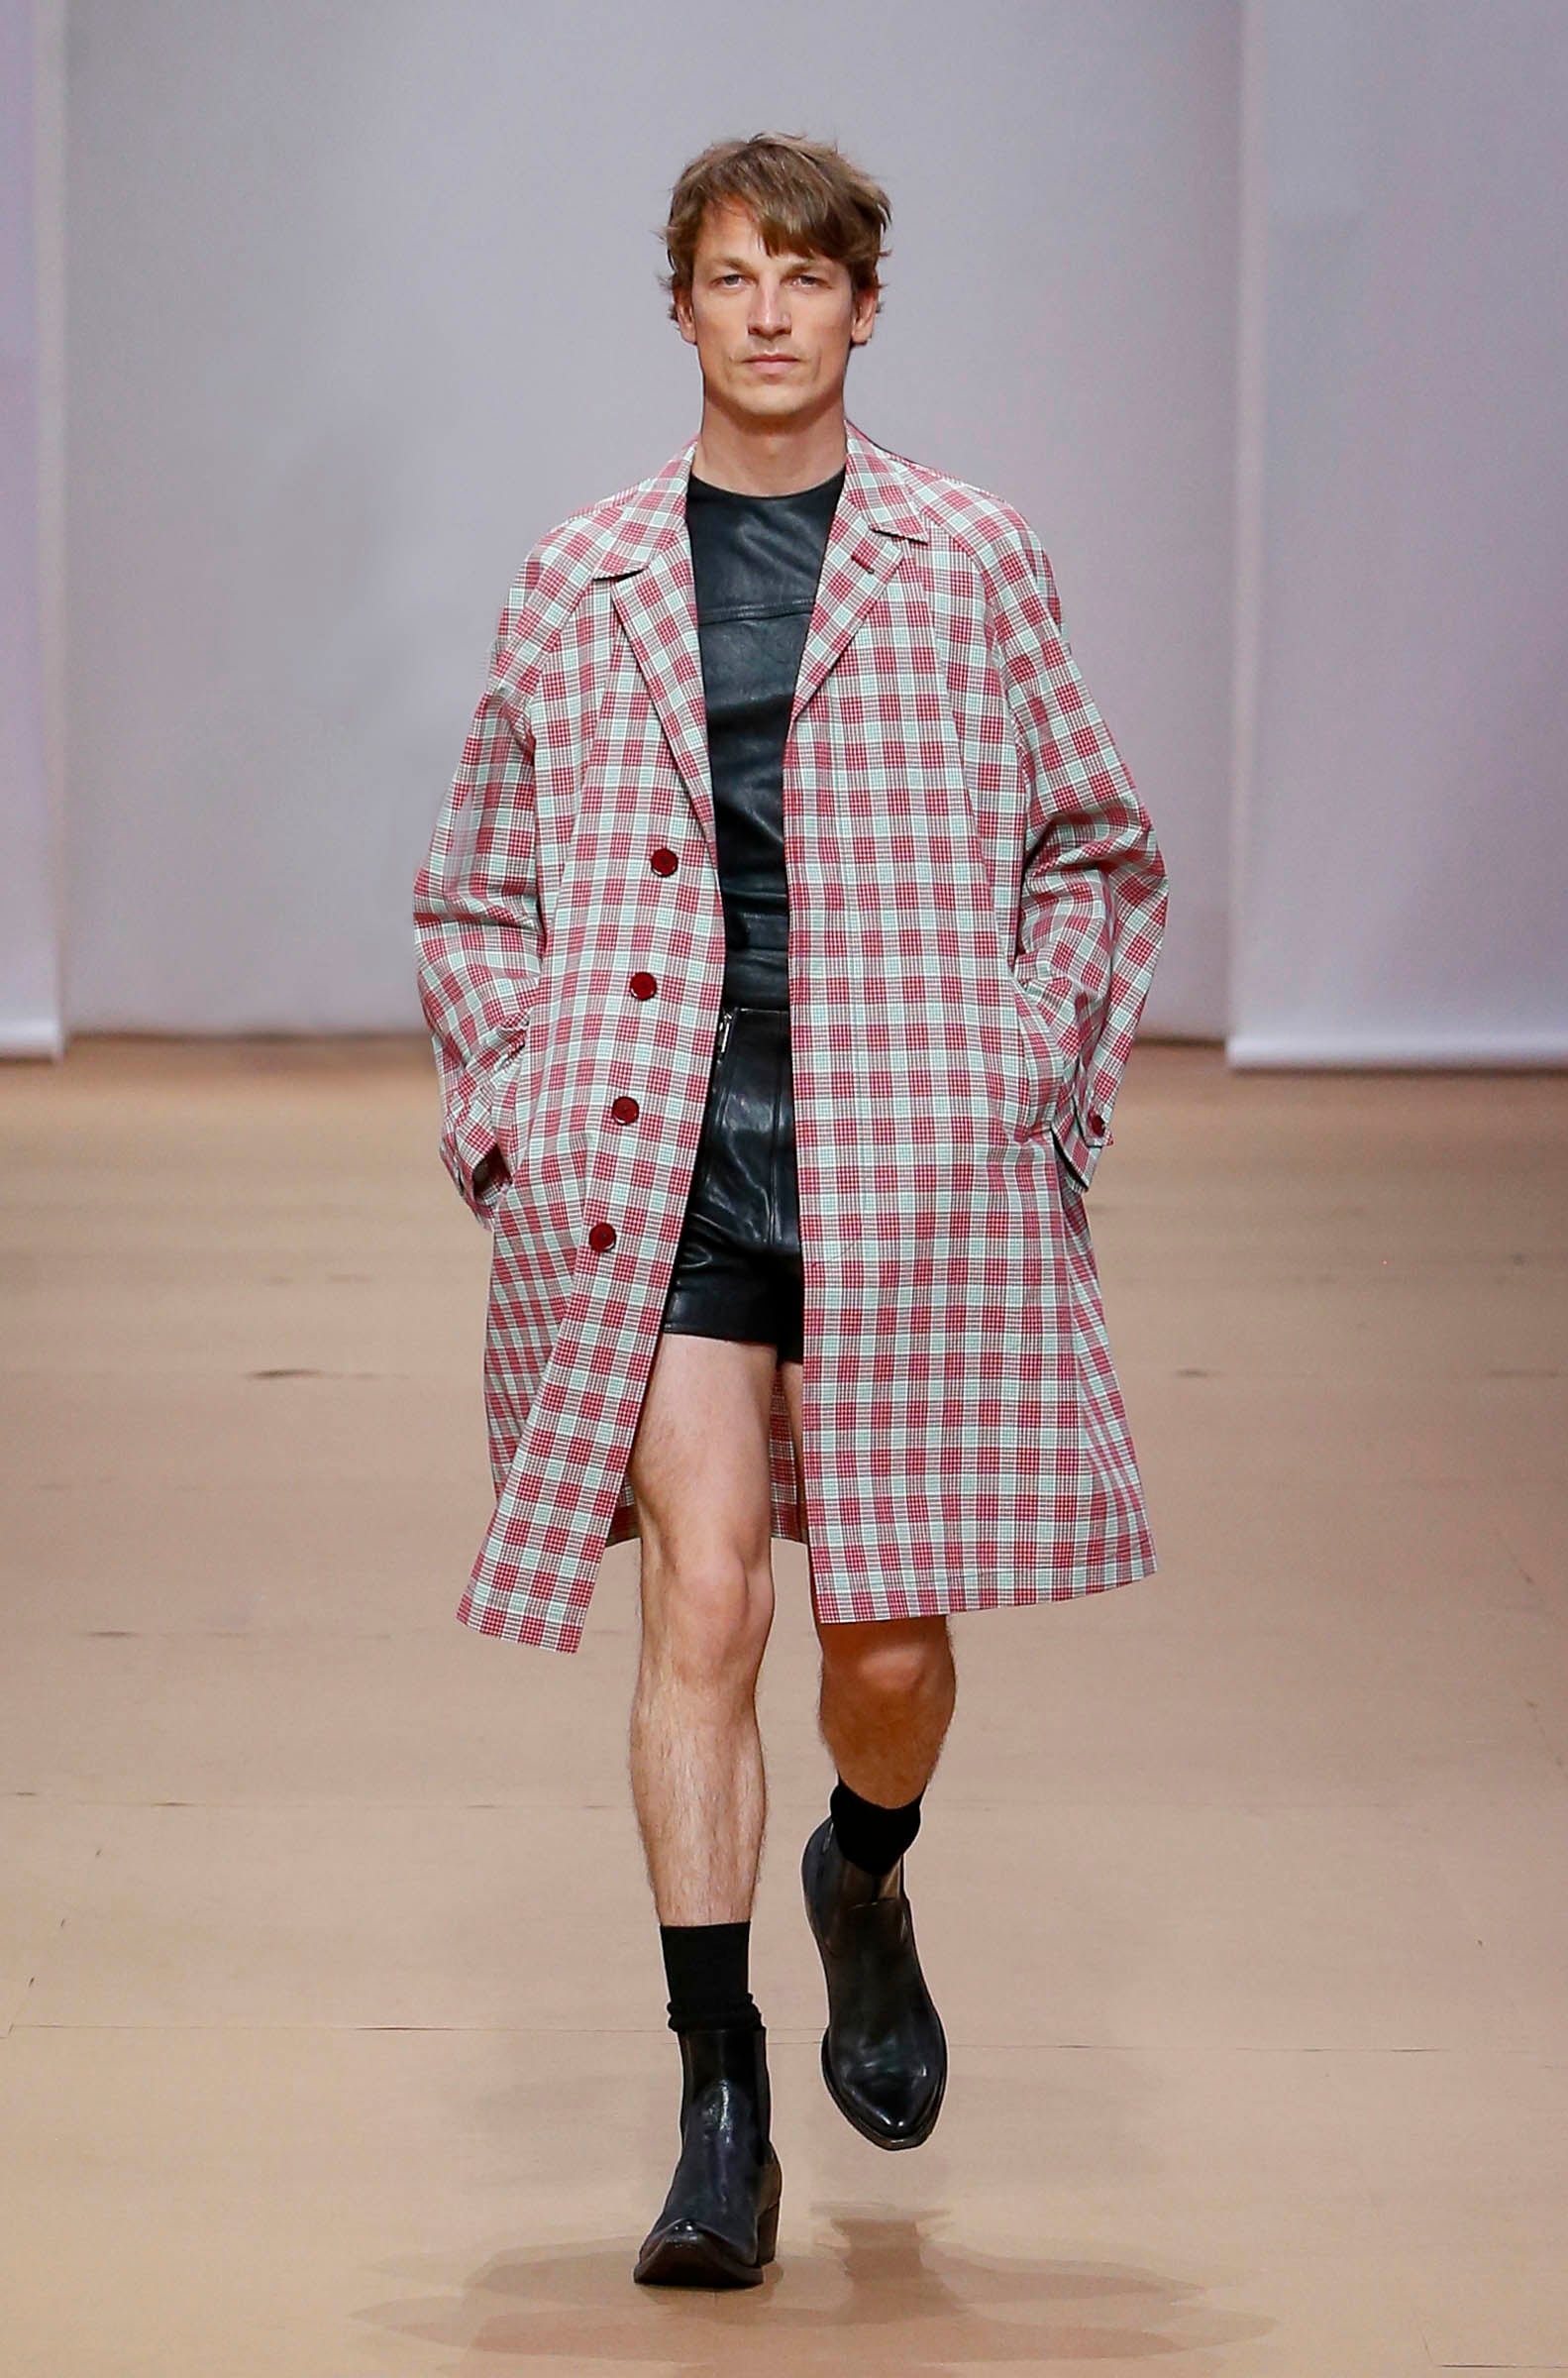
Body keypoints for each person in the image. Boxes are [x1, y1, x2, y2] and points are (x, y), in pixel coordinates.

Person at [413, 130, 1168, 2291]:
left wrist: (1027, 1093)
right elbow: (474, 886)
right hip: (656, 1148)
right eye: (732, 277)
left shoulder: (969, 556)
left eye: (806, 278)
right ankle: (718, 2101)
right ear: (680, 308)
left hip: (905, 1154)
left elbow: (1094, 851)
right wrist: (515, 1121)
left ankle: (866, 1862)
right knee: (706, 1608)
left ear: (862, 307)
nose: (767, 313)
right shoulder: (581, 573)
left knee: (888, 1647)